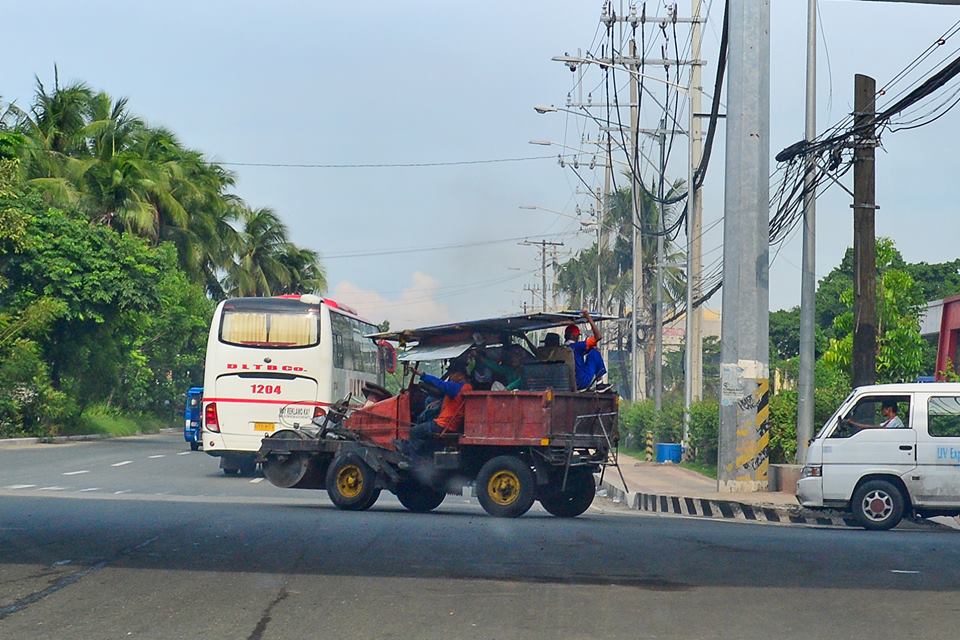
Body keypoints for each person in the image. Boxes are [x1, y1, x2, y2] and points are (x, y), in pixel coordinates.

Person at [405, 362, 473, 458]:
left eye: (452, 374)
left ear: (460, 375)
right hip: (452, 423)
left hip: (444, 424)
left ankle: (415, 462)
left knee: (413, 432)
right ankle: (428, 456)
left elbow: (441, 384)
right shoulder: (466, 387)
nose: (450, 377)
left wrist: (422, 375)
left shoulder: (456, 387)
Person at [565, 309, 607, 391]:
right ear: (574, 336)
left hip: (569, 382)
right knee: (594, 353)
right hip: (582, 381)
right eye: (577, 335)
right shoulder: (578, 346)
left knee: (591, 349)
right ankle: (600, 383)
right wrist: (588, 317)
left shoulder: (564, 349)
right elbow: (598, 336)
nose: (578, 337)